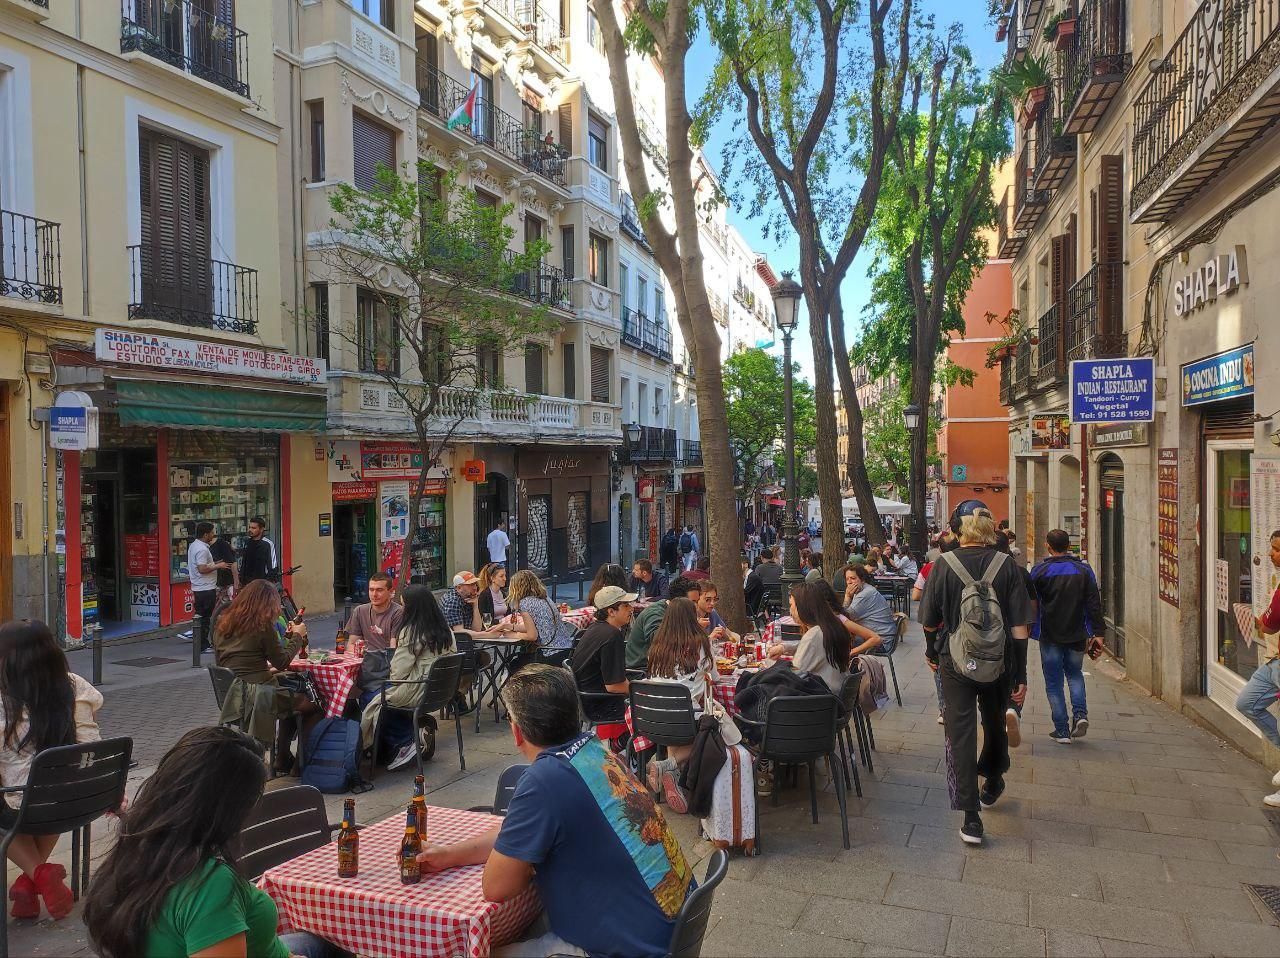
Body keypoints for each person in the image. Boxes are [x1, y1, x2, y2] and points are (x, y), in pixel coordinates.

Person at [416, 666, 693, 957]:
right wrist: (449, 855)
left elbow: (496, 887)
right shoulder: (595, 751)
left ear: (517, 731)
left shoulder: (544, 780)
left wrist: (528, 862)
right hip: (665, 933)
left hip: (623, 949)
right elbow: (516, 831)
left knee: (464, 951)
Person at [84, 726, 346, 958]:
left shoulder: (136, 848)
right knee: (337, 943)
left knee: (323, 940)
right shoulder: (209, 882)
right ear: (227, 809)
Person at [920, 506, 1031, 846]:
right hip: (1000, 661)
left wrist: (930, 652)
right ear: (990, 532)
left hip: (955, 662)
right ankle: (995, 776)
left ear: (959, 531)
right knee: (995, 721)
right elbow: (1019, 628)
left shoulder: (944, 565)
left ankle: (971, 818)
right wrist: (1020, 673)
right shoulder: (1008, 567)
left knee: (960, 732)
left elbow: (927, 619)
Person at [0, 620, 102, 921]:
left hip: (20, 806)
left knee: (16, 799)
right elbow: (89, 744)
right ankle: (29, 884)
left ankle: (38, 873)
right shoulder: (74, 686)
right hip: (72, 804)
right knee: (54, 785)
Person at [214, 579, 315, 775]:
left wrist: (285, 639)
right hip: (259, 694)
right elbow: (282, 662)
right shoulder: (262, 626)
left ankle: (282, 757)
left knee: (290, 702)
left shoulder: (223, 624)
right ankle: (296, 765)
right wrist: (297, 636)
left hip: (233, 693)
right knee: (312, 707)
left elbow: (242, 660)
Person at [361, 585, 455, 771]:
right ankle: (405, 739)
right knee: (380, 698)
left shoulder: (413, 631)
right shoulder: (446, 630)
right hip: (441, 692)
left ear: (413, 608)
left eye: (404, 606)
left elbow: (398, 672)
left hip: (418, 689)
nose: (402, 610)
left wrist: (390, 679)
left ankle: (403, 743)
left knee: (370, 697)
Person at [645, 597, 716, 811]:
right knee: (714, 734)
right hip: (684, 716)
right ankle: (668, 765)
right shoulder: (700, 642)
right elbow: (715, 677)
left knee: (676, 717)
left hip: (651, 717)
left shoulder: (657, 645)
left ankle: (669, 771)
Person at [1243, 530, 1280, 806]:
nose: (1271, 554)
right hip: (1273, 659)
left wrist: (1257, 621)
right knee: (1247, 703)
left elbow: (1268, 623)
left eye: (1277, 549)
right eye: (1271, 548)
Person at [778, 582, 851, 693]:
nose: (790, 610)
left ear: (802, 606)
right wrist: (785, 648)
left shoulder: (814, 635)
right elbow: (815, 648)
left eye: (792, 605)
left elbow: (794, 675)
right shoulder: (832, 626)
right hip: (836, 694)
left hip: (822, 700)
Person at [571, 585, 637, 698]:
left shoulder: (596, 627)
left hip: (586, 696)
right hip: (601, 702)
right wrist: (643, 692)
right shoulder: (612, 635)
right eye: (626, 605)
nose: (632, 609)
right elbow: (614, 686)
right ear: (611, 612)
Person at [626, 576, 702, 669]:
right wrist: (693, 630)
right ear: (678, 601)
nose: (697, 606)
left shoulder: (676, 611)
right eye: (693, 602)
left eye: (697, 601)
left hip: (665, 667)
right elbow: (660, 644)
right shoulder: (655, 614)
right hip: (643, 670)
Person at [504, 571, 573, 655]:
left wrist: (513, 635)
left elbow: (532, 636)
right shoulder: (545, 597)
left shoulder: (524, 603)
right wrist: (508, 626)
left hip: (550, 652)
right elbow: (534, 627)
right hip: (566, 649)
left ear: (517, 588)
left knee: (515, 663)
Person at [188, 522, 231, 654]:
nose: (213, 534)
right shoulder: (202, 549)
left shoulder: (194, 545)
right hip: (205, 588)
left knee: (201, 616)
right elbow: (202, 568)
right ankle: (203, 645)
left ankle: (200, 643)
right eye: (212, 532)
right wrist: (219, 566)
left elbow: (202, 565)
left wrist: (215, 563)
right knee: (205, 618)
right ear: (206, 534)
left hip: (199, 587)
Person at [345, 572, 406, 651]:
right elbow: (352, 644)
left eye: (379, 590)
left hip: (387, 660)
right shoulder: (360, 611)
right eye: (371, 590)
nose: (374, 594)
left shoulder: (398, 612)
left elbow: (393, 649)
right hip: (365, 658)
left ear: (390, 592)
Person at [843, 565, 899, 652]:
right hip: (881, 636)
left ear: (862, 579)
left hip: (881, 642)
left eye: (853, 578)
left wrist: (847, 596)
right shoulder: (862, 590)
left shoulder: (865, 594)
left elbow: (845, 618)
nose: (849, 582)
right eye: (847, 579)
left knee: (838, 642)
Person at [239, 517, 279, 585]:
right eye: (250, 527)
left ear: (261, 529)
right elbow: (244, 563)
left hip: (261, 584)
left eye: (253, 528)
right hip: (247, 583)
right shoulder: (247, 542)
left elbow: (272, 565)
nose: (250, 530)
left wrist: (269, 581)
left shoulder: (267, 544)